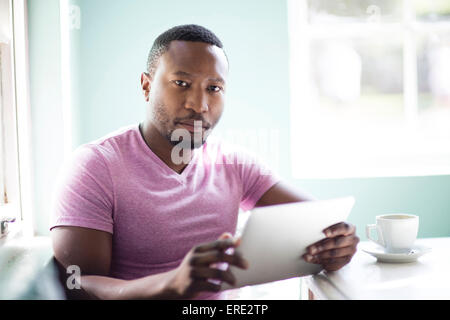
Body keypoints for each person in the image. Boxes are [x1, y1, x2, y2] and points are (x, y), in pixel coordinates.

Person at [50, 24, 359, 300]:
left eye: (214, 88)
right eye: (181, 83)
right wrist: (169, 285)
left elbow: (320, 224)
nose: (199, 105)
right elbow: (78, 285)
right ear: (146, 86)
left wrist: (337, 244)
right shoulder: (94, 166)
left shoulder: (234, 163)